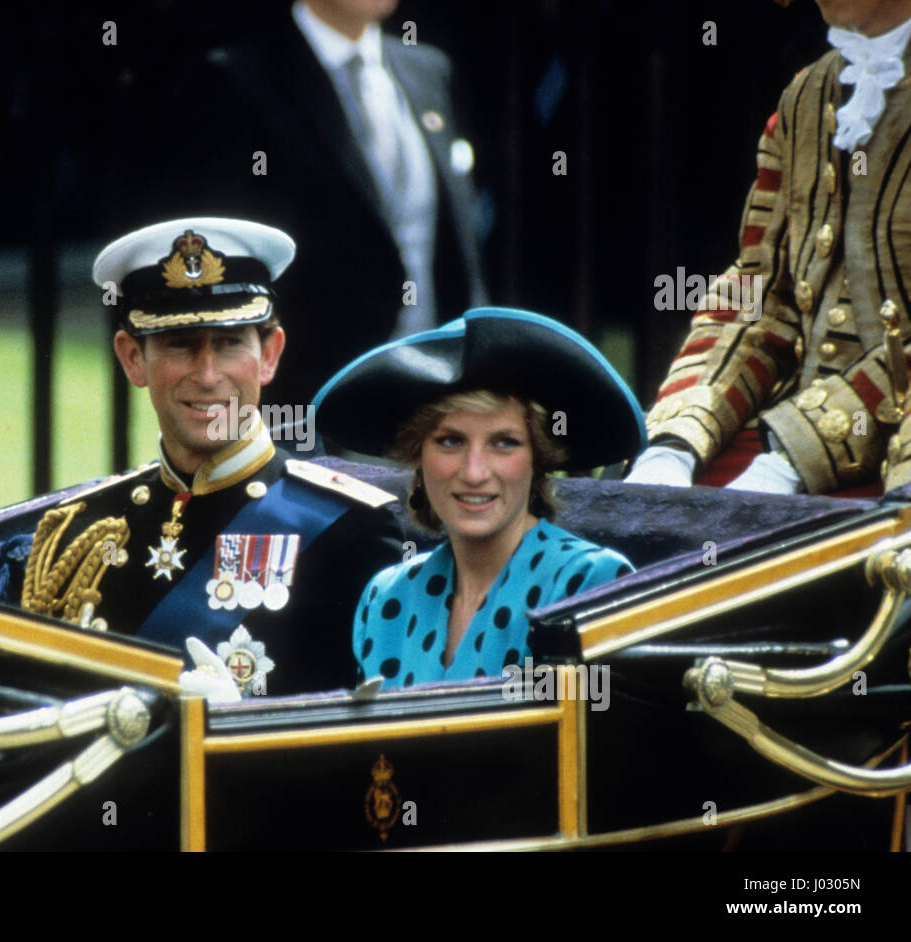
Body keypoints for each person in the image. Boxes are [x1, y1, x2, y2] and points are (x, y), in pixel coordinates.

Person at [0, 217, 405, 697]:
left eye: (230, 343)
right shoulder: (81, 533)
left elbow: (368, 738)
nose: (208, 374)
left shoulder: (346, 529)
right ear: (132, 358)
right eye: (180, 346)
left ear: (270, 354)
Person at [142, 0, 487, 411]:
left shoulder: (427, 70)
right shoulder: (234, 78)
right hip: (309, 401)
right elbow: (227, 261)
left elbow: (453, 249)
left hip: (435, 393)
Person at [626, 0, 911, 497]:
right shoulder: (805, 99)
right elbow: (760, 295)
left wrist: (798, 454)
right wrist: (676, 440)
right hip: (796, 431)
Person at [312, 308, 645, 688]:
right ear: (417, 455)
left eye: (504, 443)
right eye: (450, 441)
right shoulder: (386, 597)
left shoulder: (590, 581)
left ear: (538, 459)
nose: (473, 472)